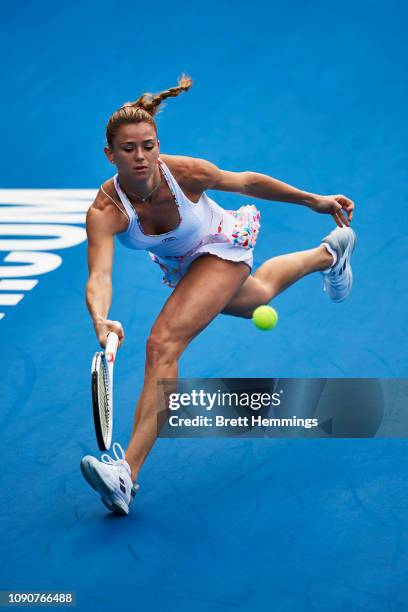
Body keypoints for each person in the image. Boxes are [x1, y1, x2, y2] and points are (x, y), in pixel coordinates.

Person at [80, 74, 356, 515]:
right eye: (128, 149)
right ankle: (329, 255)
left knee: (163, 344)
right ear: (109, 154)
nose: (141, 157)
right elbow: (99, 275)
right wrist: (100, 317)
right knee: (256, 298)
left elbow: (245, 182)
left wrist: (312, 200)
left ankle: (125, 473)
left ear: (157, 144)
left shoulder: (184, 173)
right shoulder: (105, 212)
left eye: (148, 146)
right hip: (185, 266)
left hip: (220, 244)